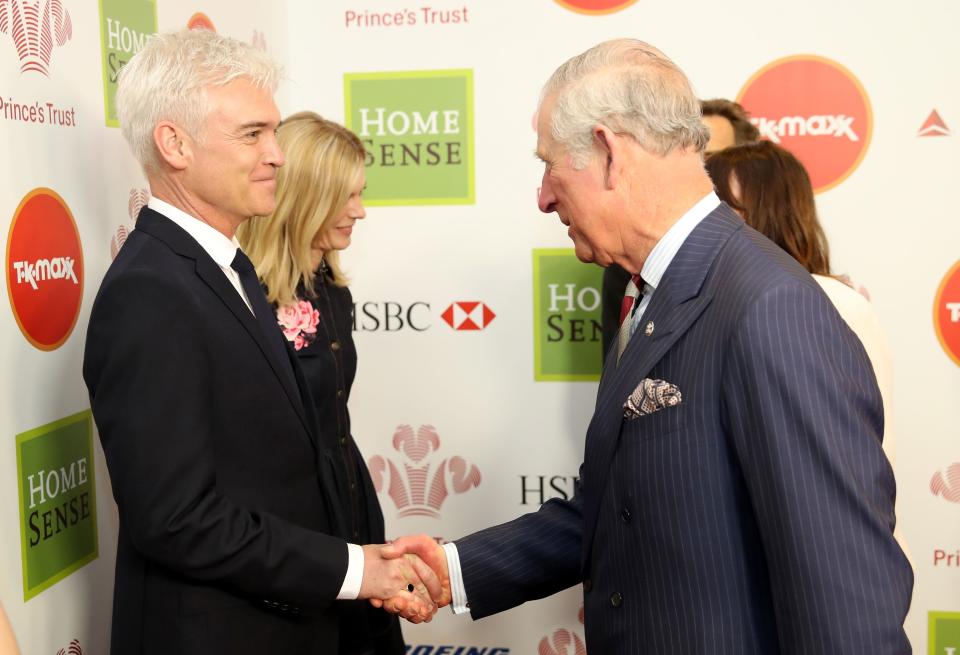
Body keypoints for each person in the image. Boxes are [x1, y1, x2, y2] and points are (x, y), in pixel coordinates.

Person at [382, 39, 913, 653]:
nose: (543, 195)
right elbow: (617, 508)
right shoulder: (650, 295)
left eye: (550, 164)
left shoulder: (769, 307)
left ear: (608, 153)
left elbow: (843, 598)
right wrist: (455, 570)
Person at [83, 30, 436, 655]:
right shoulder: (150, 291)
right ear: (175, 144)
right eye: (252, 134)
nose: (276, 154)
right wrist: (353, 571)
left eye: (274, 131)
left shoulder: (233, 269)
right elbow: (176, 518)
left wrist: (356, 562)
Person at [237, 112, 404, 655]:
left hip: (350, 504)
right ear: (302, 196)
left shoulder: (333, 288)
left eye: (360, 194)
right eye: (345, 197)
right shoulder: (245, 299)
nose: (360, 211)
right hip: (291, 525)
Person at [704, 140, 909, 553]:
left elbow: (841, 459)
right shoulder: (719, 303)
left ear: (769, 211)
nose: (709, 224)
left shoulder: (829, 303)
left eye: (724, 207)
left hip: (837, 552)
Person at [601, 97, 760, 357]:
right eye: (690, 157)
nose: (700, 169)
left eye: (712, 158)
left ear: (745, 162)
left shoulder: (774, 257)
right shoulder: (634, 261)